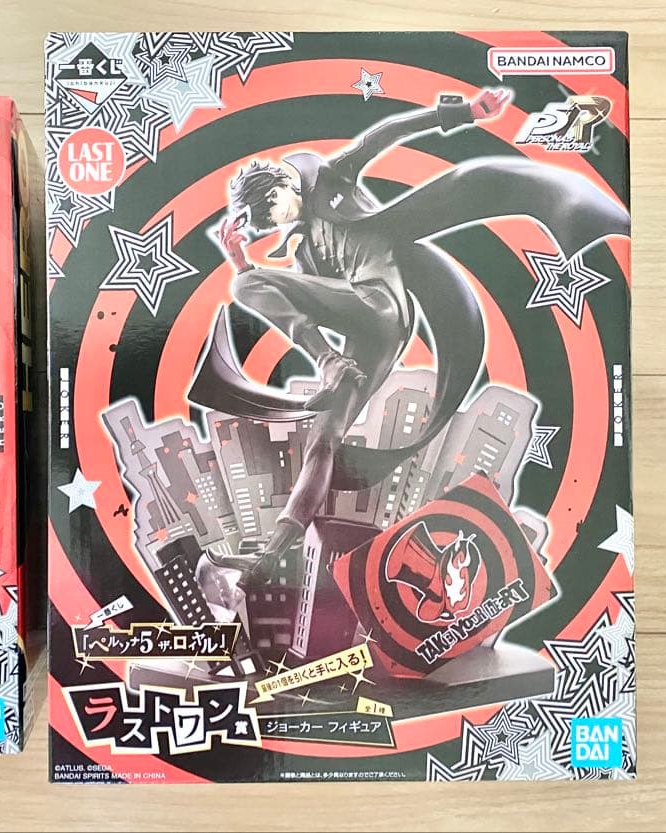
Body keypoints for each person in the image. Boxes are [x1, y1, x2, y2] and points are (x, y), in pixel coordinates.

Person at [192, 88, 629, 590]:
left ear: (283, 185)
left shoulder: (331, 179)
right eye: (269, 225)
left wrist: (464, 112)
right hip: (368, 343)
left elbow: (386, 133)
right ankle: (270, 556)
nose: (278, 224)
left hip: (381, 306)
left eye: (274, 212)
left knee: (248, 284)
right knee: (322, 441)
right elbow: (303, 303)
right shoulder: (307, 253)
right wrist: (243, 261)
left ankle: (328, 362)